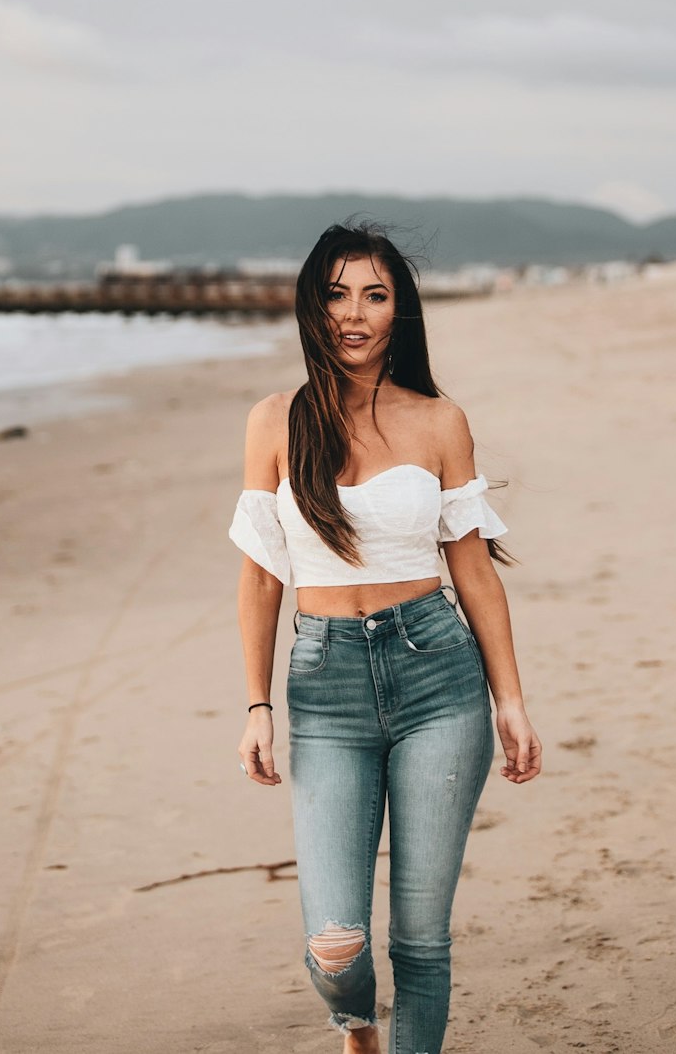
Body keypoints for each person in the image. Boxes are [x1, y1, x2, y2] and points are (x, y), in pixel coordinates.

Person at [229, 222, 542, 1054]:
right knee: (336, 944)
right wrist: (257, 705)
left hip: (438, 674)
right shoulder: (274, 421)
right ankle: (357, 1027)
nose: (354, 314)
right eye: (336, 294)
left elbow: (473, 570)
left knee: (421, 938)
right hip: (324, 684)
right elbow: (262, 576)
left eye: (376, 294)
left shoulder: (439, 421)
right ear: (311, 304)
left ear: (399, 310)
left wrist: (509, 700)